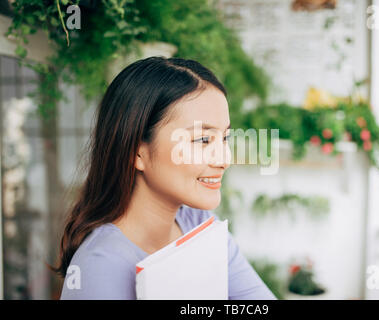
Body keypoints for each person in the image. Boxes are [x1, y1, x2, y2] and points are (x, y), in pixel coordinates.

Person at [54, 56, 277, 300]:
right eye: (202, 140)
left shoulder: (199, 224)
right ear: (137, 152)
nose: (224, 159)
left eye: (224, 138)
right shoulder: (100, 268)